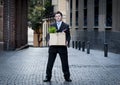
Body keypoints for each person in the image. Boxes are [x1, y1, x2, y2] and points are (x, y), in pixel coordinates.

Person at [43, 11, 72, 82]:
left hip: (62, 47)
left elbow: (68, 36)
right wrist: (48, 40)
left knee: (65, 63)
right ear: (55, 18)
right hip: (53, 47)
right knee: (50, 63)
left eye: (59, 16)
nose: (57, 17)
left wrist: (67, 41)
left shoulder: (66, 26)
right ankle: (48, 77)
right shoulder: (52, 25)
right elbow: (48, 35)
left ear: (61, 17)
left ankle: (67, 77)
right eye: (56, 16)